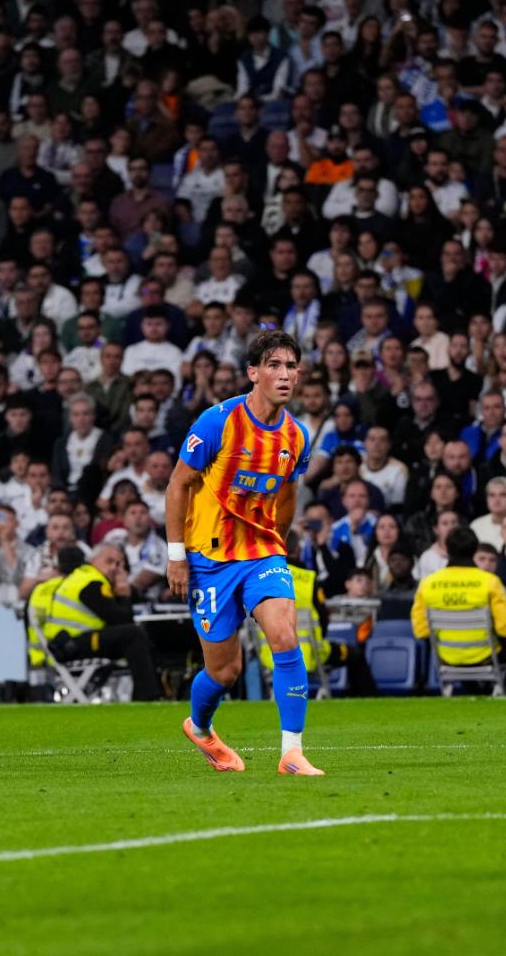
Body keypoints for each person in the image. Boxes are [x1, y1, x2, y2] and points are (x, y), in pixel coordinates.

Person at [166, 329, 322, 776]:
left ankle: (292, 751)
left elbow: (289, 494)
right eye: (274, 365)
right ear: (253, 373)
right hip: (209, 561)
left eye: (291, 366)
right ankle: (200, 727)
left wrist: (279, 544)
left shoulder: (297, 436)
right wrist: (176, 555)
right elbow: (179, 484)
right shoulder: (218, 422)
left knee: (286, 637)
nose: (285, 374)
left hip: (262, 554)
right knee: (224, 672)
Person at [412, 527, 506, 694]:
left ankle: (475, 692)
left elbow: (421, 631)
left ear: (447, 549)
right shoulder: (490, 581)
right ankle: (504, 690)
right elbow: (505, 629)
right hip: (485, 655)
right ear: (474, 550)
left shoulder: (427, 583)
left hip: (447, 655)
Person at [27, 543, 159, 700]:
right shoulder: (91, 581)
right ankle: (147, 696)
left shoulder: (76, 579)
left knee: (136, 636)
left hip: (61, 645)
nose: (115, 568)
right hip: (72, 646)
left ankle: (149, 692)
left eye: (119, 564)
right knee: (133, 634)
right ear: (92, 560)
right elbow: (121, 619)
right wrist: (124, 594)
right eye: (109, 561)